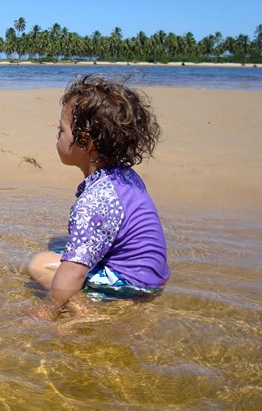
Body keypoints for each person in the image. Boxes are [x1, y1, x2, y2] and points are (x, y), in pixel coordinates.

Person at [27, 74, 170, 321]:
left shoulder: (95, 201)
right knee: (61, 247)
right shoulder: (124, 177)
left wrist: (46, 310)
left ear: (85, 142)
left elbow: (74, 270)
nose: (57, 136)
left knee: (40, 263)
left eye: (61, 130)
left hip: (130, 284)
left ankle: (84, 314)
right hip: (152, 275)